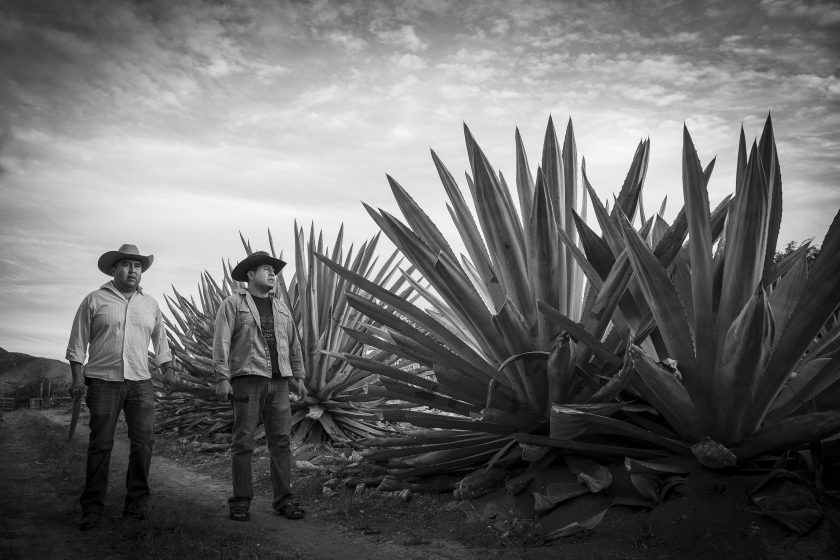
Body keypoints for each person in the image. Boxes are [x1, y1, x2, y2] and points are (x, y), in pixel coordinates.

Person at [66, 243, 177, 530]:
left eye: (138, 266)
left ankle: (136, 506)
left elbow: (161, 341)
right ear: (114, 269)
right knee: (101, 444)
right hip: (103, 382)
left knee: (144, 444)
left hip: (141, 382)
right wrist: (77, 378)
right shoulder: (94, 300)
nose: (133, 270)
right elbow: (78, 343)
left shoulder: (150, 304)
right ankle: (92, 509)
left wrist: (168, 368)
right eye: (127, 265)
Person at [213, 250, 307, 521]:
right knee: (243, 442)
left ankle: (284, 501)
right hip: (247, 381)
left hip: (278, 383)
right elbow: (221, 341)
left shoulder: (281, 308)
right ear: (250, 275)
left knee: (281, 442)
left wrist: (298, 377)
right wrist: (221, 377)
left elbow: (293, 345)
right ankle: (240, 501)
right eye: (265, 269)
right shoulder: (232, 304)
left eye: (273, 270)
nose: (272, 273)